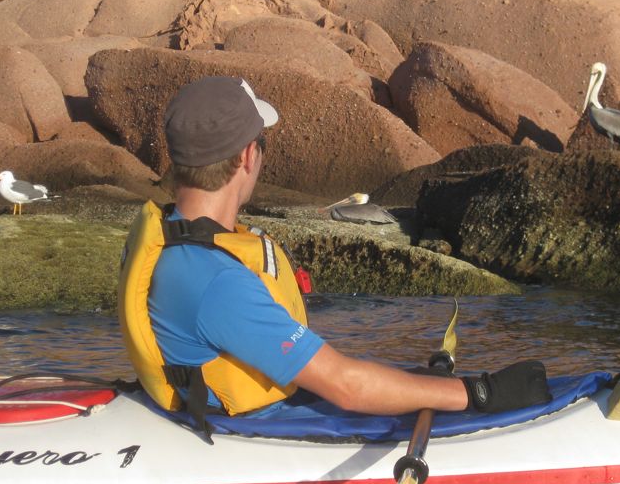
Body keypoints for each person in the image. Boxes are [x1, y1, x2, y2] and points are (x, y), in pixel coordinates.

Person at [118, 75, 550, 438]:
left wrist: (427, 385)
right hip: (244, 431)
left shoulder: (178, 243)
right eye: (260, 142)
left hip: (227, 409)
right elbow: (346, 387)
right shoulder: (216, 281)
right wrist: (478, 393)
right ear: (247, 156)